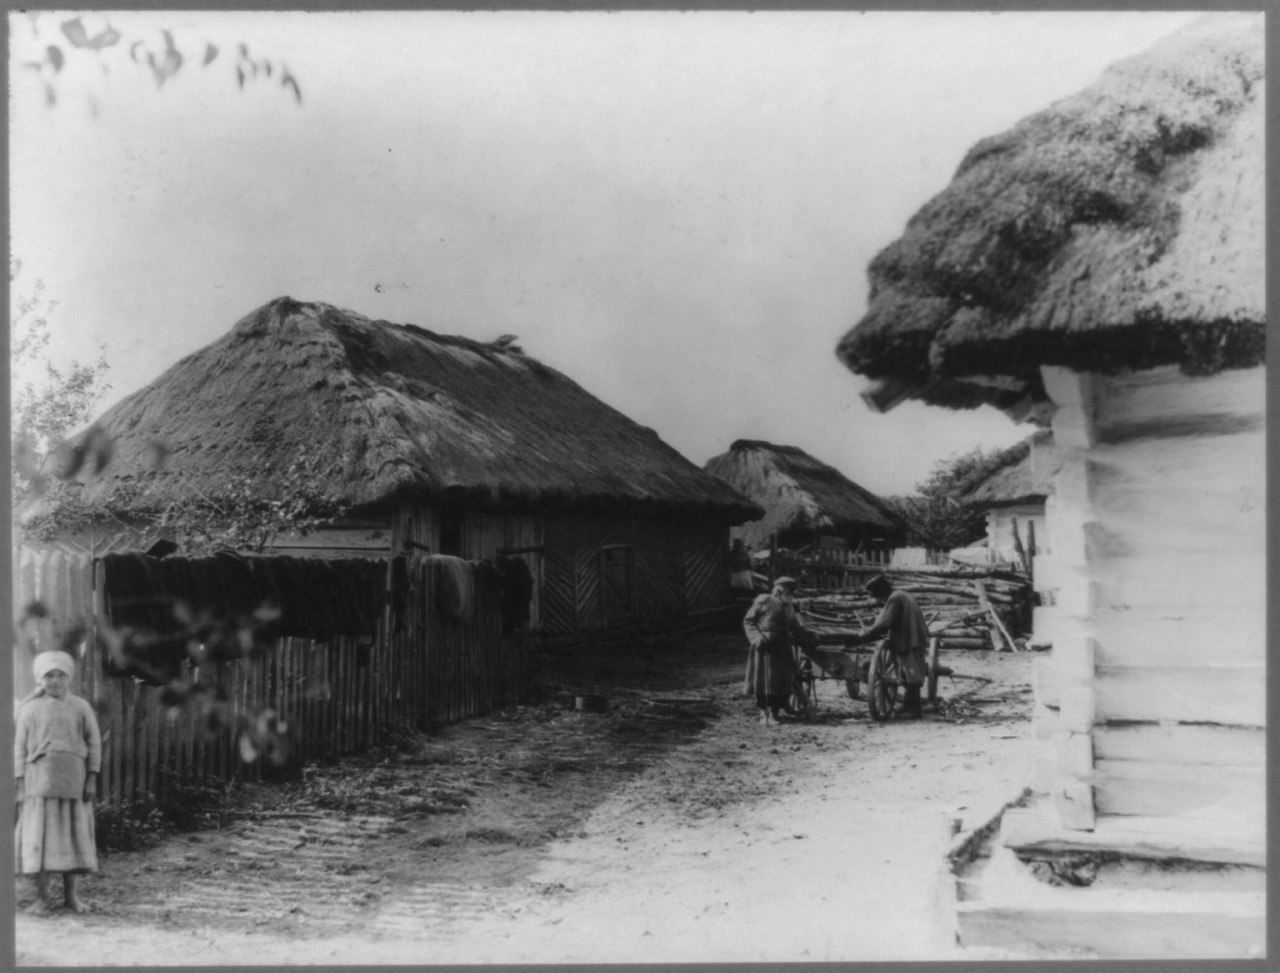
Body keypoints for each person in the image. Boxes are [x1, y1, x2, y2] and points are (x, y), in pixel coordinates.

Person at [14, 650, 101, 914]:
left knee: (70, 839)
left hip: (73, 784)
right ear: (40, 679)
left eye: (59, 675)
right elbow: (18, 749)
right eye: (48, 676)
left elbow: (94, 744)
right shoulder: (30, 709)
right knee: (41, 841)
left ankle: (71, 897)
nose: (54, 681)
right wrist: (20, 785)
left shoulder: (80, 707)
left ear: (68, 678)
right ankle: (42, 898)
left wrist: (91, 779)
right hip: (38, 785)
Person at [859, 574, 930, 719]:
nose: (877, 600)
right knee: (907, 673)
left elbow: (885, 623)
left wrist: (868, 633)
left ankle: (914, 710)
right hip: (911, 637)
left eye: (875, 595)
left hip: (911, 639)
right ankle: (907, 706)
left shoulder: (895, 598)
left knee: (911, 674)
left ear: (881, 591)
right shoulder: (899, 595)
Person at [743, 576, 811, 725]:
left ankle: (776, 711)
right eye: (788, 593)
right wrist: (756, 638)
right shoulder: (764, 601)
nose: (791, 596)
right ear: (779, 592)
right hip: (765, 646)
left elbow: (794, 626)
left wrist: (808, 633)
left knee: (784, 680)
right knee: (766, 681)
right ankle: (764, 714)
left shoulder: (789, 605)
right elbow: (749, 621)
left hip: (783, 646)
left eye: (792, 593)